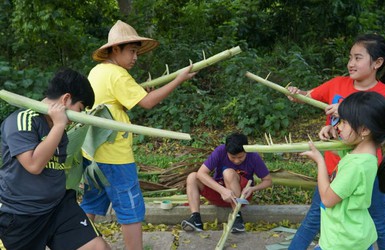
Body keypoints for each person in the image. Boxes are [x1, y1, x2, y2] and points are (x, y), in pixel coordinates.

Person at [80, 20, 198, 250]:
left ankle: (79, 244)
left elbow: (110, 106)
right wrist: (178, 79)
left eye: (136, 52)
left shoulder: (97, 71)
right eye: (132, 51)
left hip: (92, 153)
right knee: (130, 208)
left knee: (91, 204)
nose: (135, 57)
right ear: (116, 49)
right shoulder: (118, 74)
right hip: (115, 156)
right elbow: (147, 102)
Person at [287, 33, 385, 249]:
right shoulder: (337, 83)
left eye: (358, 58)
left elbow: (378, 132)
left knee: (379, 221)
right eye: (350, 57)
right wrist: (296, 93)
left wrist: (344, 110)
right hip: (334, 167)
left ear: (377, 63)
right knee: (316, 217)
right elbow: (307, 95)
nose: (350, 63)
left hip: (367, 172)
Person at [0, 68, 111, 249]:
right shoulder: (22, 119)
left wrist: (58, 126)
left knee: (98, 247)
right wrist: (59, 125)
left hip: (58, 208)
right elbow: (33, 164)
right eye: (80, 109)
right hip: (21, 215)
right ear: (66, 99)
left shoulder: (60, 131)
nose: (77, 117)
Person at [301, 91, 385, 249]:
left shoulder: (356, 165)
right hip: (355, 236)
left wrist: (320, 161)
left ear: (365, 130)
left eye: (344, 122)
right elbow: (344, 153)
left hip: (342, 241)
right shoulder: (365, 156)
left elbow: (327, 199)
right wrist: (334, 136)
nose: (338, 126)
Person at [181, 133, 272, 233]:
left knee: (228, 172)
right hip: (221, 194)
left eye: (240, 157)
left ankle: (237, 218)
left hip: (241, 197)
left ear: (246, 151)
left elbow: (268, 180)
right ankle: (196, 219)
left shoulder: (253, 156)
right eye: (232, 157)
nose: (237, 161)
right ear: (227, 151)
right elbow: (201, 173)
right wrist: (222, 190)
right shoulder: (220, 150)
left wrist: (253, 188)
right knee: (192, 177)